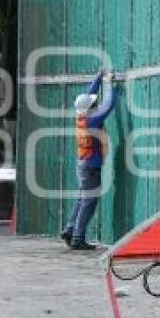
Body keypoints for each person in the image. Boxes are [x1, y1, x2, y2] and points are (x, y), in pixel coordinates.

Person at [60, 71, 117, 250]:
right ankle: (78, 238)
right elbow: (108, 105)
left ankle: (70, 230)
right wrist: (111, 86)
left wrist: (98, 79)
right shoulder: (93, 120)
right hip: (91, 166)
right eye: (94, 103)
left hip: (83, 164)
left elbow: (87, 96)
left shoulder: (82, 117)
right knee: (89, 202)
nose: (96, 103)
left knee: (81, 199)